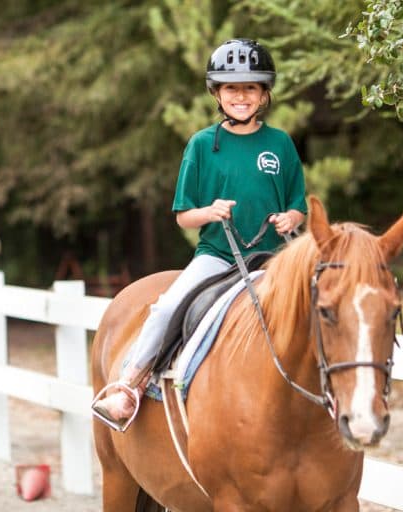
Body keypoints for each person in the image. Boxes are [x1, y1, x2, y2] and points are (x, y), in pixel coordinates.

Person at [91, 39, 307, 431]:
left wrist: (290, 219)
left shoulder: (281, 144)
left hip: (276, 259)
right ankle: (129, 385)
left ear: (264, 95)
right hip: (218, 255)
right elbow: (183, 216)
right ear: (217, 94)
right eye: (231, 89)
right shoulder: (203, 145)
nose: (240, 96)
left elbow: (298, 204)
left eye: (250, 88)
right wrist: (211, 211)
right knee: (169, 306)